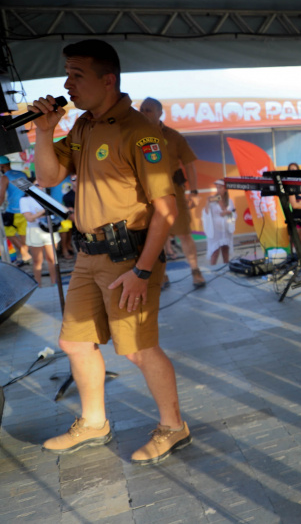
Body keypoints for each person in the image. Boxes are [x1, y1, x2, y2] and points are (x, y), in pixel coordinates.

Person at [30, 39, 190, 465]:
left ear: (108, 80)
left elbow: (166, 209)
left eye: (76, 75)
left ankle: (173, 427)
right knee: (74, 341)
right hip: (88, 254)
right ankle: (94, 421)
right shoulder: (82, 126)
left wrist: (140, 272)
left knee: (138, 348)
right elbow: (47, 177)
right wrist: (45, 132)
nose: (67, 84)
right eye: (67, 74)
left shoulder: (139, 132)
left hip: (127, 257)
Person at [139, 97, 206, 289]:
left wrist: (194, 191)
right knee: (154, 237)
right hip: (147, 195)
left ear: (160, 113)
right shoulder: (133, 136)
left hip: (173, 193)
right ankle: (162, 275)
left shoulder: (174, 136)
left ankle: (195, 271)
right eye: (142, 109)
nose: (144, 113)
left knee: (184, 234)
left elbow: (190, 164)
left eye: (149, 110)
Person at [19, 190, 60, 287]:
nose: (39, 187)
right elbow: (29, 218)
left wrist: (39, 213)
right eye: (36, 185)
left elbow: (57, 212)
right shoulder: (24, 199)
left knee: (52, 259)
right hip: (34, 232)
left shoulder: (48, 197)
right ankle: (38, 284)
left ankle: (54, 283)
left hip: (50, 229)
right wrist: (44, 210)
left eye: (41, 184)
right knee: (37, 260)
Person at [0, 155, 32, 265]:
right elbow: (29, 191)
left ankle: (25, 255)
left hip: (12, 210)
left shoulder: (5, 177)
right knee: (24, 236)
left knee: (9, 234)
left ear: (2, 166)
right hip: (25, 210)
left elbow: (1, 196)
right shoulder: (22, 174)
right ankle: (25, 257)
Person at [202, 179, 236, 265]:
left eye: (220, 188)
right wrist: (207, 202)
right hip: (215, 232)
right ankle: (213, 272)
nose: (218, 190)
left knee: (225, 251)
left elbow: (234, 214)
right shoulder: (213, 201)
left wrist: (228, 213)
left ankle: (226, 269)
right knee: (215, 252)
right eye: (217, 188)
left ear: (225, 189)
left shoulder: (230, 201)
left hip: (226, 230)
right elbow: (206, 214)